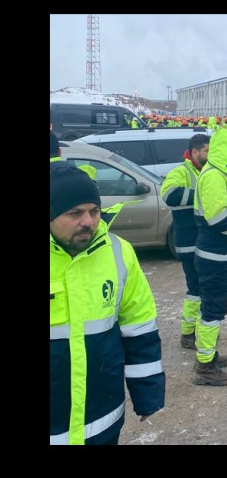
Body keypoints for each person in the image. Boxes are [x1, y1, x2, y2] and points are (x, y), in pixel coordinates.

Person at [50, 164, 165, 444]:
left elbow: (139, 327)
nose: (88, 221)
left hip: (100, 418)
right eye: (74, 213)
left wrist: (147, 394)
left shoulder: (118, 252)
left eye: (94, 211)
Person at [192, 128, 227, 386]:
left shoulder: (220, 173)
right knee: (212, 311)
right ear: (226, 151)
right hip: (216, 256)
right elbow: (217, 217)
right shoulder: (215, 176)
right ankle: (205, 366)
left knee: (213, 309)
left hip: (219, 255)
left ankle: (208, 355)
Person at [161, 133, 210, 349]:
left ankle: (195, 331)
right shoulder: (180, 172)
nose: (210, 154)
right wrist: (202, 195)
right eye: (207, 150)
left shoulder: (208, 171)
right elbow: (169, 194)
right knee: (196, 289)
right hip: (189, 242)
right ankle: (188, 334)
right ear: (195, 152)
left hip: (205, 242)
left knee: (203, 288)